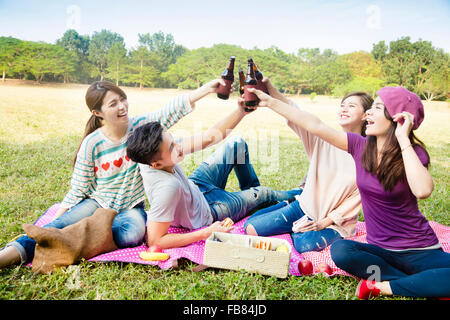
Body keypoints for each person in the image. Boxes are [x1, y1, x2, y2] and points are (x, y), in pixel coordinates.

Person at [249, 85, 450, 299]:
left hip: (419, 250)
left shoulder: (414, 154)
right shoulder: (359, 146)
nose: (369, 113)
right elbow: (313, 124)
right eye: (370, 108)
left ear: (398, 119)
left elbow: (423, 190)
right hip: (379, 251)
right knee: (341, 251)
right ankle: (417, 282)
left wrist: (402, 138)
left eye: (378, 108)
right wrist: (270, 102)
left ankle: (383, 286)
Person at [0, 79, 226, 268]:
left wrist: (206, 89)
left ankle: (78, 237)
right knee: (53, 228)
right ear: (97, 112)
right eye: (113, 104)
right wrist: (61, 216)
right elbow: (79, 187)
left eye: (122, 99)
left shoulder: (140, 128)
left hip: (130, 207)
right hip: (97, 204)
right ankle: (8, 256)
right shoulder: (92, 143)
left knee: (133, 235)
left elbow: (171, 110)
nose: (122, 107)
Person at [125, 97, 301, 250]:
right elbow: (156, 241)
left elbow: (209, 137)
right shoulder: (166, 188)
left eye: (173, 140)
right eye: (172, 147)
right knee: (265, 193)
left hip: (197, 186)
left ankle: (254, 200)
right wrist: (206, 233)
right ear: (156, 165)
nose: (178, 146)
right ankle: (304, 193)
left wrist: (241, 111)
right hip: (210, 211)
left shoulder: (151, 153)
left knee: (236, 144)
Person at [244, 78, 372, 254]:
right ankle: (291, 204)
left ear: (366, 115)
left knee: (304, 246)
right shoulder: (324, 139)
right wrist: (270, 88)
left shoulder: (369, 155)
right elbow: (296, 114)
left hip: (333, 222)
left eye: (351, 106)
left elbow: (355, 200)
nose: (344, 108)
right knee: (251, 227)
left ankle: (293, 220)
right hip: (304, 207)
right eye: (343, 105)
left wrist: (323, 222)